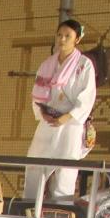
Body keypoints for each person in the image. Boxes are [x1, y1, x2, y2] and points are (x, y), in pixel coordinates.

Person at [21, 19, 98, 208]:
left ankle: (60, 213)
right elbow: (37, 96)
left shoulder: (84, 65)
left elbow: (87, 97)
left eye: (67, 36)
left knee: (65, 172)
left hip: (70, 124)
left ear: (77, 39)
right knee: (34, 164)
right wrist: (42, 113)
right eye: (59, 35)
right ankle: (27, 209)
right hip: (48, 121)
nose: (62, 40)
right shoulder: (47, 64)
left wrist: (66, 117)